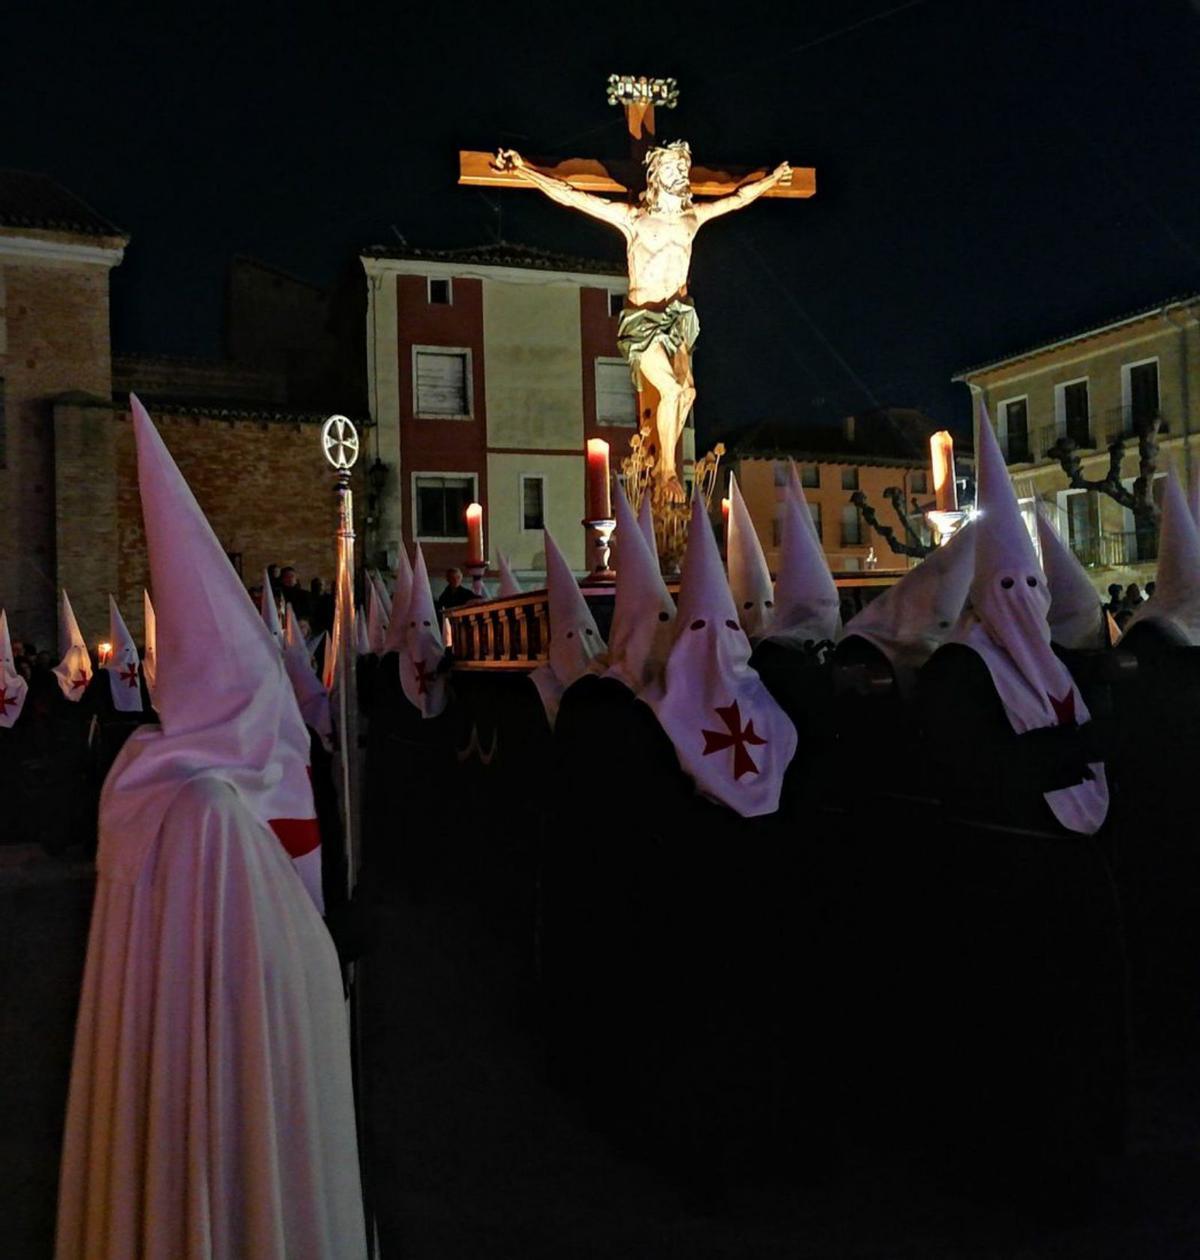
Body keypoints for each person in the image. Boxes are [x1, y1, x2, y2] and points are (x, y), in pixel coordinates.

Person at [496, 142, 790, 499]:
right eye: (671, 168)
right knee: (671, 389)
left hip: (678, 315)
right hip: (644, 321)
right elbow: (572, 196)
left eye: (682, 169)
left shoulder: (692, 218)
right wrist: (524, 169)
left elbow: (739, 198)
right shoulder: (633, 218)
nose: (680, 175)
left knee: (688, 392)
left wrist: (772, 179)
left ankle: (669, 470)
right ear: (655, 175)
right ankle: (667, 470)